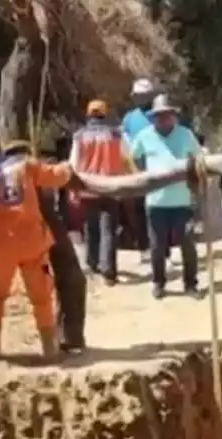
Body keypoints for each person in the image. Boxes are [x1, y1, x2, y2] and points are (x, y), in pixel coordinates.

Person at [0, 136, 79, 361]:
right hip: (34, 244)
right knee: (42, 296)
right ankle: (49, 348)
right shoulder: (24, 166)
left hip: (2, 249)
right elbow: (54, 176)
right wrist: (67, 168)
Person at [5, 140, 90, 352]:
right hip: (40, 230)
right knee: (67, 281)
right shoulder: (28, 169)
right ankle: (66, 338)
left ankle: (60, 340)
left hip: (11, 236)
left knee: (46, 288)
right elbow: (59, 174)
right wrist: (67, 169)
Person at [129, 94, 202, 299]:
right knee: (157, 247)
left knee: (187, 244)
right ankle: (159, 283)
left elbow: (199, 159)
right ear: (153, 118)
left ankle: (190, 284)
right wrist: (143, 176)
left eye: (167, 115)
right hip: (156, 201)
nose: (163, 119)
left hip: (182, 200)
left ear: (174, 116)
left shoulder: (186, 135)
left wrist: (195, 184)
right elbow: (133, 156)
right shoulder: (144, 136)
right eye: (159, 116)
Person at [70, 99, 130, 285]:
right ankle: (109, 272)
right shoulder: (115, 135)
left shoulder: (79, 136)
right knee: (108, 230)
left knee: (91, 227)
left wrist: (73, 188)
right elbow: (126, 157)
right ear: (105, 114)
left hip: (88, 188)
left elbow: (73, 163)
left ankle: (92, 263)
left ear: (88, 115)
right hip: (110, 187)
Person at [122, 78, 158, 266]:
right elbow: (124, 142)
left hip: (159, 170)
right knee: (139, 211)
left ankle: (162, 251)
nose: (140, 98)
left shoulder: (159, 114)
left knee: (158, 210)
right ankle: (144, 248)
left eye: (143, 95)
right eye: (137, 96)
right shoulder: (129, 118)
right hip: (136, 170)